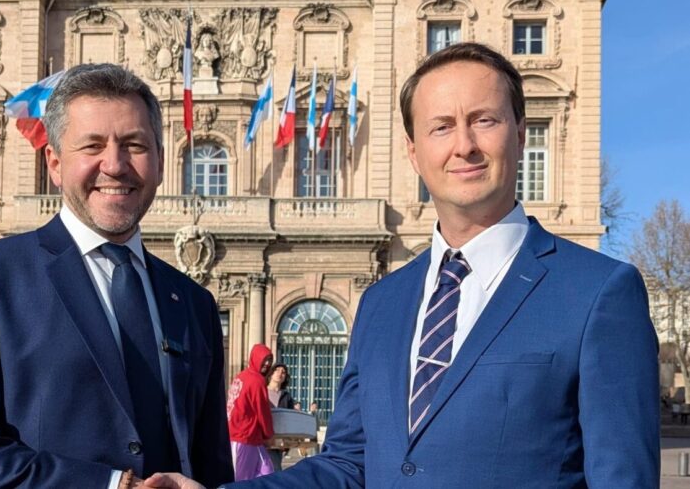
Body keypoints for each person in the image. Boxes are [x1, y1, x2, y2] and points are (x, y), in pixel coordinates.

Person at [146, 42, 660, 488]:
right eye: (441, 127)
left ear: (522, 134)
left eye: (485, 120)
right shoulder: (382, 302)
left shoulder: (597, 294)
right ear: (413, 153)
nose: (464, 145)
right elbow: (349, 465)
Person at [0, 64, 233, 489]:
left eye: (134, 145)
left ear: (160, 161)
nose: (115, 165)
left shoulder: (193, 302)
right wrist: (111, 485)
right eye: (92, 146)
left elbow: (209, 463)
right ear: (54, 162)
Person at [227, 344, 275, 481]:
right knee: (241, 482)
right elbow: (263, 411)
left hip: (250, 438)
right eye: (264, 359)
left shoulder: (241, 376)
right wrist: (269, 434)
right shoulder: (257, 380)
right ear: (256, 358)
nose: (267, 363)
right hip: (243, 438)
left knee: (267, 475)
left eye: (270, 360)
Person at [265, 364, 295, 471]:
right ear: (271, 373)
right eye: (277, 370)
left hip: (277, 443)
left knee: (275, 470)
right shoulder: (262, 391)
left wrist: (288, 443)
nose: (280, 373)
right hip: (261, 439)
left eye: (283, 372)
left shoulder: (287, 397)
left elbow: (290, 420)